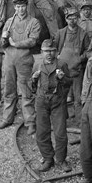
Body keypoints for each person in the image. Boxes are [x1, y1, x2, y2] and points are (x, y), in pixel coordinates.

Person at [0, 0, 41, 133]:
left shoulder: (34, 22)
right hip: (9, 60)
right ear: (15, 7)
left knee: (26, 90)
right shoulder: (9, 22)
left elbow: (33, 40)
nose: (20, 9)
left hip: (24, 60)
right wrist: (3, 40)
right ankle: (7, 118)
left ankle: (30, 122)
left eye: (22, 6)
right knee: (9, 89)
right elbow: (3, 44)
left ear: (26, 6)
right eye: (18, 7)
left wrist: (16, 43)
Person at [30, 39, 72, 172]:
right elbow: (31, 88)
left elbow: (69, 83)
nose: (49, 54)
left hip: (57, 101)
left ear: (57, 52)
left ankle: (61, 159)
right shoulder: (37, 64)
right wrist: (33, 80)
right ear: (41, 52)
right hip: (41, 101)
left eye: (52, 51)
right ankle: (48, 158)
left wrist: (62, 78)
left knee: (60, 133)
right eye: (46, 51)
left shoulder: (62, 64)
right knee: (42, 132)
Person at [56, 7, 90, 126]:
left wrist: (79, 59)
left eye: (74, 17)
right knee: (61, 96)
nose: (72, 20)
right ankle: (62, 119)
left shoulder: (83, 33)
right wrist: (58, 59)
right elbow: (55, 49)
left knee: (78, 98)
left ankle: (80, 121)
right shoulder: (61, 33)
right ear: (66, 19)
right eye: (69, 18)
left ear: (78, 18)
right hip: (63, 70)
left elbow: (88, 51)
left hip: (76, 70)